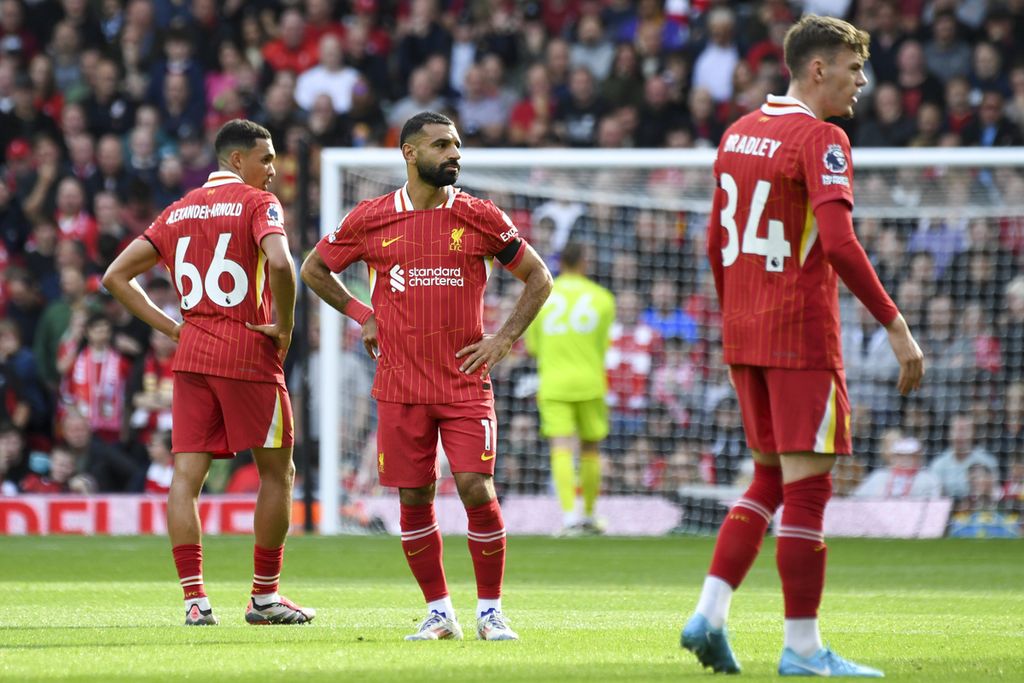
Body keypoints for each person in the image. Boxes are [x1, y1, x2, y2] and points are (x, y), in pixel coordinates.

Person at [680, 16, 925, 678]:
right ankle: (804, 647)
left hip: (745, 333)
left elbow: (713, 242)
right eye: (853, 68)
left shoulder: (737, 133)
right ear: (818, 69)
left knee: (767, 476)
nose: (861, 81)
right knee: (810, 489)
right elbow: (840, 244)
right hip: (800, 337)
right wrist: (896, 326)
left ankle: (708, 612)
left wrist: (738, 315)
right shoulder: (821, 138)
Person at [301, 111, 552, 642]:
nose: (454, 154)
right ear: (410, 154)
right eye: (442, 145)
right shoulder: (371, 218)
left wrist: (504, 339)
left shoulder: (480, 215)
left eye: (457, 144)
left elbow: (538, 277)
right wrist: (363, 314)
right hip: (399, 385)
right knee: (413, 499)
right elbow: (314, 269)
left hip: (463, 382)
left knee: (475, 488)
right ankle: (440, 612)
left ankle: (491, 611)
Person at [101, 119, 314, 627]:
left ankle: (195, 601)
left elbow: (115, 276)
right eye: (266, 158)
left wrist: (173, 328)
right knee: (278, 472)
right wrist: (284, 327)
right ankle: (264, 599)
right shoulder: (258, 203)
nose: (273, 168)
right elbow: (282, 266)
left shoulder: (178, 210)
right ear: (237, 160)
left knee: (186, 478)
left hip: (193, 355)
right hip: (248, 352)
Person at [524, 242, 615, 535]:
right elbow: (604, 345)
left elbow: (533, 346)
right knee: (590, 448)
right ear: (584, 262)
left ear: (560, 262)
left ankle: (568, 518)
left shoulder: (543, 294)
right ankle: (589, 515)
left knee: (561, 447)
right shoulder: (602, 298)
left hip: (554, 383)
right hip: (590, 382)